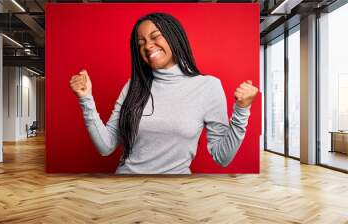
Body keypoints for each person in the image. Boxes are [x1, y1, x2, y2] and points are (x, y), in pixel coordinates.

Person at [69, 12, 258, 174]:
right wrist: (86, 99)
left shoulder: (208, 87)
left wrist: (242, 110)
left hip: (176, 192)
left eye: (155, 36)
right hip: (126, 189)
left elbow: (222, 157)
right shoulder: (133, 86)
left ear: (174, 37)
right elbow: (105, 146)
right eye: (140, 42)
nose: (147, 46)